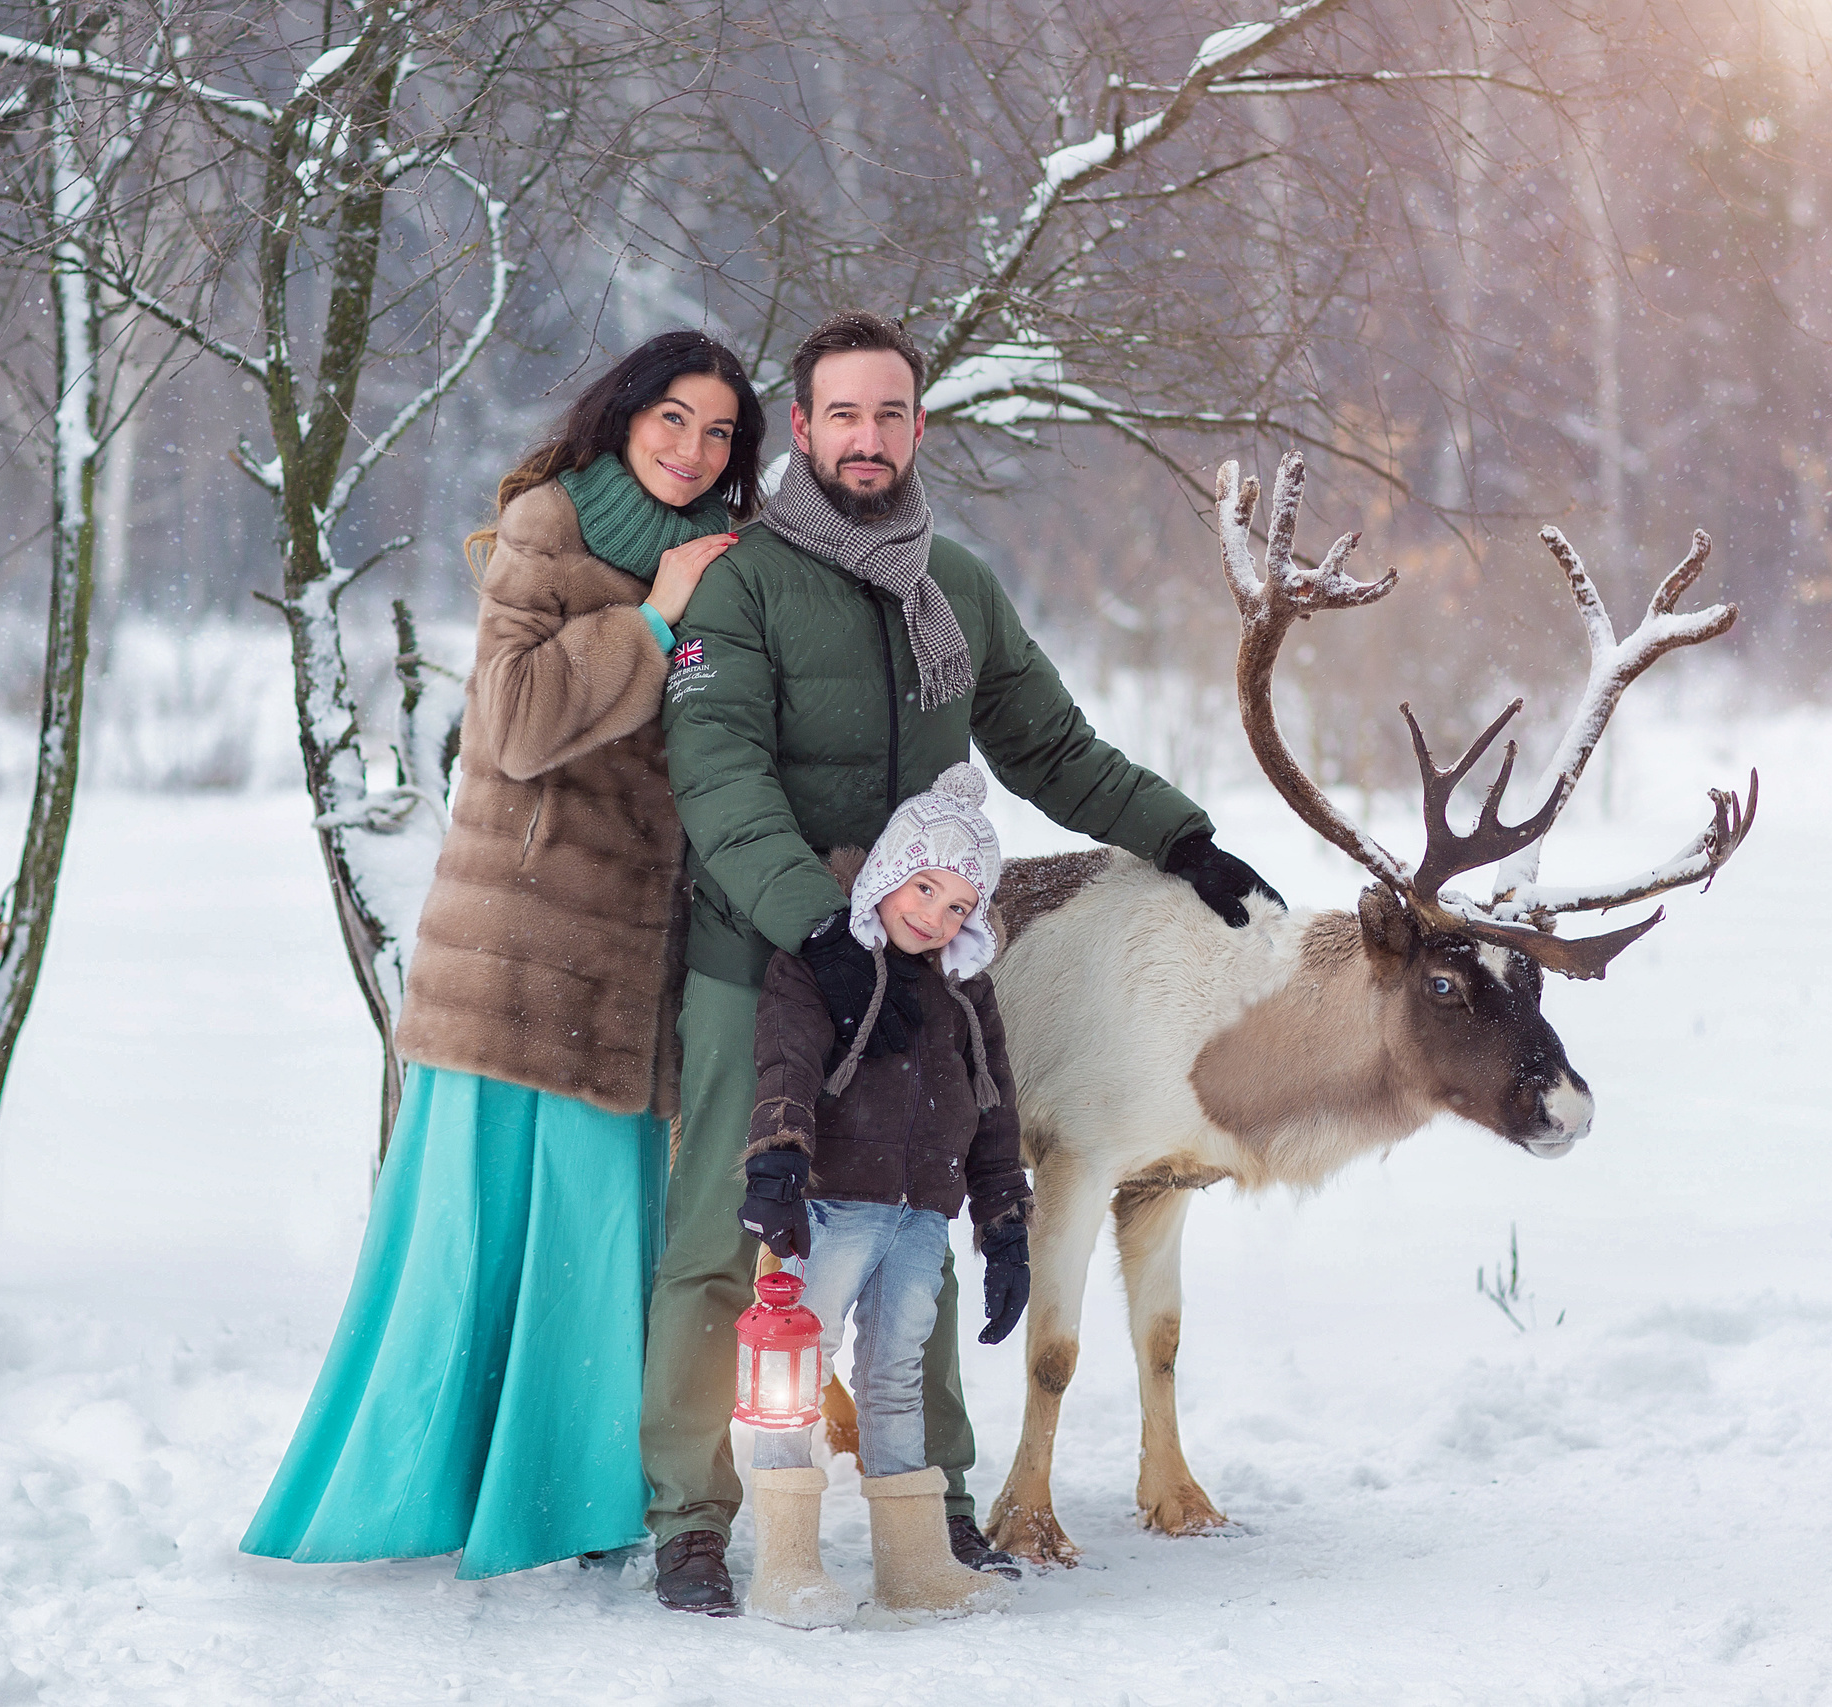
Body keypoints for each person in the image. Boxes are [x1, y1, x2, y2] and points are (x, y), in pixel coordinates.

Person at [643, 308, 1281, 1613]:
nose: (866, 437)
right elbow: (718, 773)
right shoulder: (741, 584)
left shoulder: (959, 587)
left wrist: (1187, 837)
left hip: (917, 956)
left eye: (889, 414)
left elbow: (1052, 747)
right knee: (726, 1229)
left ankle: (923, 1500)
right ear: (805, 426)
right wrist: (811, 919)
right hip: (754, 949)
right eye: (842, 414)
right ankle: (696, 1517)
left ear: (917, 426)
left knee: (905, 1220)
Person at [240, 330, 765, 1580]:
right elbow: (516, 725)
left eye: (721, 434)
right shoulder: (550, 526)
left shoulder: (729, 562)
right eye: (673, 422)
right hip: (523, 941)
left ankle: (572, 1499)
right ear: (626, 414)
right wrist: (650, 621)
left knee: (594, 1244)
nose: (693, 452)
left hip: (636, 959)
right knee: (470, 1241)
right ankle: (428, 1489)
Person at [738, 764, 1030, 1627]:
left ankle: (913, 1566)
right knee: (796, 1371)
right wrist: (778, 1166)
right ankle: (785, 1566)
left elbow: (994, 1108)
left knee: (896, 1377)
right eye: (924, 885)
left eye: (957, 906)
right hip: (829, 1208)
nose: (933, 914)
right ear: (889, 871)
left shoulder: (966, 993)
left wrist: (1005, 1226)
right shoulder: (824, 966)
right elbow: (785, 1062)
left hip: (919, 1219)